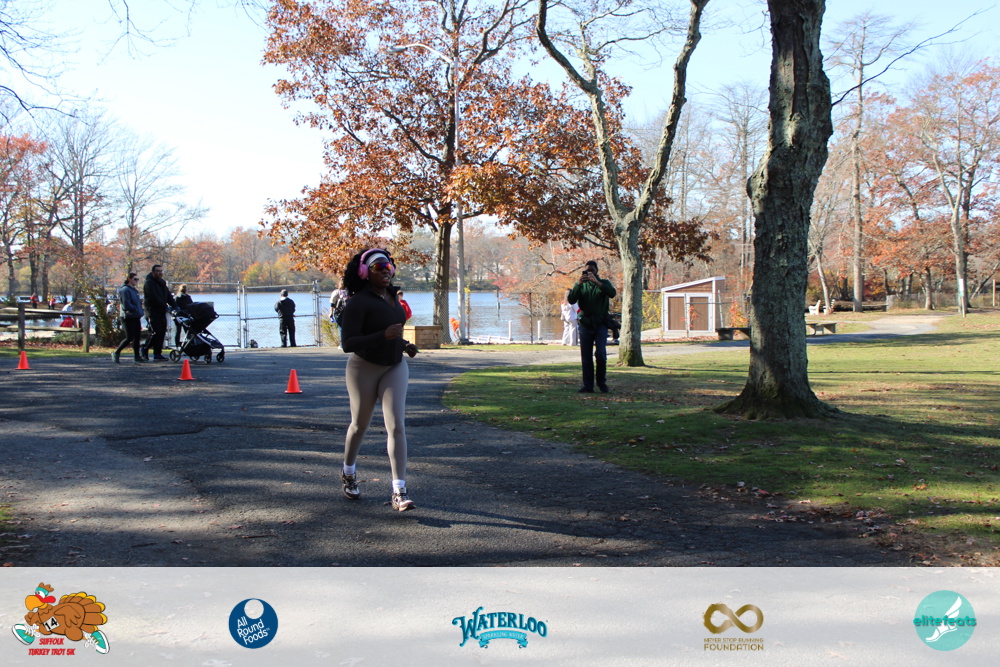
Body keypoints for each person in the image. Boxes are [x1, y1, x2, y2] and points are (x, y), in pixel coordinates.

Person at [339, 248, 419, 512]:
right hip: (363, 367)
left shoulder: (393, 297)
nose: (385, 271)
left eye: (388, 266)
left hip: (395, 365)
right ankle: (348, 472)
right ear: (365, 272)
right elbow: (349, 343)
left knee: (396, 426)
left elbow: (392, 331)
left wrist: (404, 344)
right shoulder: (358, 302)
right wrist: (383, 336)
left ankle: (399, 490)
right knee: (359, 425)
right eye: (377, 267)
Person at [567, 260, 617, 393]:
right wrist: (578, 285)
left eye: (592, 270)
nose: (589, 273)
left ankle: (602, 383)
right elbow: (571, 300)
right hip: (585, 323)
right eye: (587, 271)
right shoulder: (580, 285)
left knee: (601, 354)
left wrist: (597, 282)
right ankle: (588, 386)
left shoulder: (604, 283)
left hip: (600, 323)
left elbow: (612, 293)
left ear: (596, 271)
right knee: (586, 356)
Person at [141, 264, 176, 361]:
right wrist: (165, 305)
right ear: (153, 272)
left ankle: (157, 353)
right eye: (157, 271)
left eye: (161, 271)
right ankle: (145, 348)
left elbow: (168, 295)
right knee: (155, 332)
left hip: (161, 312)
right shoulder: (149, 283)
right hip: (152, 312)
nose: (160, 273)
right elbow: (154, 297)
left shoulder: (162, 282)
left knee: (161, 333)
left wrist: (175, 305)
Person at [113, 273, 146, 364]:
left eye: (137, 279)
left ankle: (137, 356)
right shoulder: (125, 290)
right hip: (127, 316)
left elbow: (138, 303)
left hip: (136, 316)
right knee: (130, 337)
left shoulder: (134, 290)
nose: (136, 281)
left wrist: (140, 311)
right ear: (129, 279)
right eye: (135, 279)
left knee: (137, 337)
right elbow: (126, 304)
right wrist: (135, 309)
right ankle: (116, 353)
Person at [330, 279, 350, 344]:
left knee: (341, 327)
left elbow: (332, 303)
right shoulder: (349, 292)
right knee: (348, 327)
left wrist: (331, 313)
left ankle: (342, 344)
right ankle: (348, 342)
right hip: (348, 311)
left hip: (339, 312)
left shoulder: (336, 292)